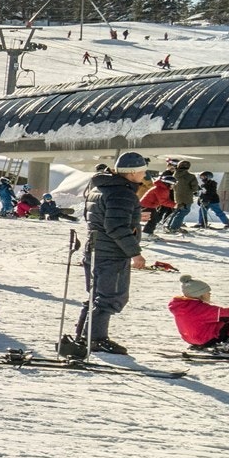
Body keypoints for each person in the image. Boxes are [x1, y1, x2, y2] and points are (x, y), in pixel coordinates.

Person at [68, 150, 150, 357]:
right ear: (131, 173)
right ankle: (95, 339)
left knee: (97, 295)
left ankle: (84, 335)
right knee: (111, 297)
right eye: (142, 171)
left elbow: (101, 218)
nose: (144, 175)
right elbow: (115, 226)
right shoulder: (122, 192)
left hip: (95, 249)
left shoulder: (101, 188)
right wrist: (135, 253)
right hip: (111, 253)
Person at [169, 274, 229, 351]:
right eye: (207, 292)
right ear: (199, 294)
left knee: (217, 322)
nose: (210, 294)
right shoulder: (203, 309)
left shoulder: (180, 306)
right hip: (206, 339)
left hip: (189, 338)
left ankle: (200, 345)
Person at [166, 161, 199, 233]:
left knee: (177, 211)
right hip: (186, 196)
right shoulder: (191, 176)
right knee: (184, 211)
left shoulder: (175, 174)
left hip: (177, 196)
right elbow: (194, 188)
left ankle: (170, 226)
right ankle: (174, 227)